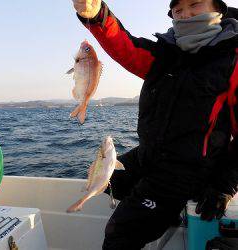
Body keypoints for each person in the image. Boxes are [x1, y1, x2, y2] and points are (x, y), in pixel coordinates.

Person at [71, 0, 238, 249]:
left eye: (195, 5)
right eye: (178, 10)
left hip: (191, 170)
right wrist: (96, 15)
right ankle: (163, 213)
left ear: (218, 8)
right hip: (150, 155)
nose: (186, 15)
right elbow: (126, 47)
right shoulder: (166, 53)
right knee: (111, 183)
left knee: (119, 233)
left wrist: (225, 185)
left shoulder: (232, 60)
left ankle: (156, 212)